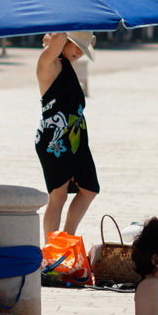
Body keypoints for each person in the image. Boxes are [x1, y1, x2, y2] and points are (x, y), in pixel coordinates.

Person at [35, 31, 99, 237]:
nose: (80, 52)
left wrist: (58, 41)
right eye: (76, 45)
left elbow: (59, 39)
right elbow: (59, 36)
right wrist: (55, 40)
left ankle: (67, 239)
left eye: (83, 48)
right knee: (58, 196)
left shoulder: (66, 64)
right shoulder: (48, 64)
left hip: (76, 139)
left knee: (89, 189)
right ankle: (51, 250)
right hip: (54, 140)